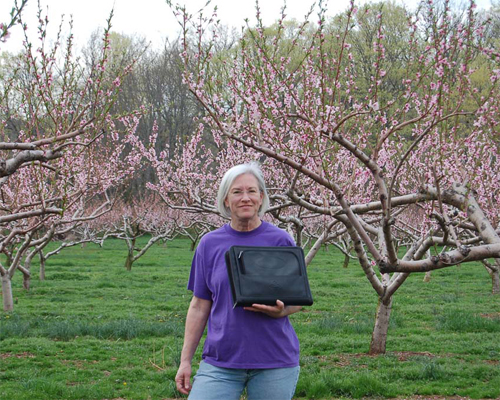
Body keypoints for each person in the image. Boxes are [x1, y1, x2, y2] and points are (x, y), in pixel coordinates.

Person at [175, 162, 303, 400]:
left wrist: (282, 311)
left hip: (274, 359)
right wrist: (185, 361)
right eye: (237, 192)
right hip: (221, 360)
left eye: (252, 191)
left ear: (261, 197)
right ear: (226, 200)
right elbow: (200, 304)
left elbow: (298, 299)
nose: (245, 198)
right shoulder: (209, 244)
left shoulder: (280, 240)